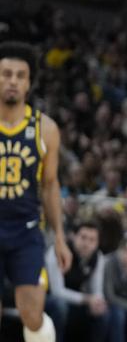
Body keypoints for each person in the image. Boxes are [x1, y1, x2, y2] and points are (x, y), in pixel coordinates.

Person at [0, 41, 71, 342]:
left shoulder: (46, 128)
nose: (12, 80)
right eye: (5, 74)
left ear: (29, 82)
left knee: (32, 313)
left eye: (19, 75)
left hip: (25, 230)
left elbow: (50, 185)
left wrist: (59, 236)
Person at [45, 221, 124, 342]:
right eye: (83, 237)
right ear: (73, 236)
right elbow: (57, 291)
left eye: (92, 240)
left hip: (76, 301)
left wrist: (97, 302)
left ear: (97, 243)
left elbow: (97, 290)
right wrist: (87, 299)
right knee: (60, 306)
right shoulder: (57, 252)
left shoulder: (97, 257)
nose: (86, 243)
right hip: (47, 298)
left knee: (108, 313)